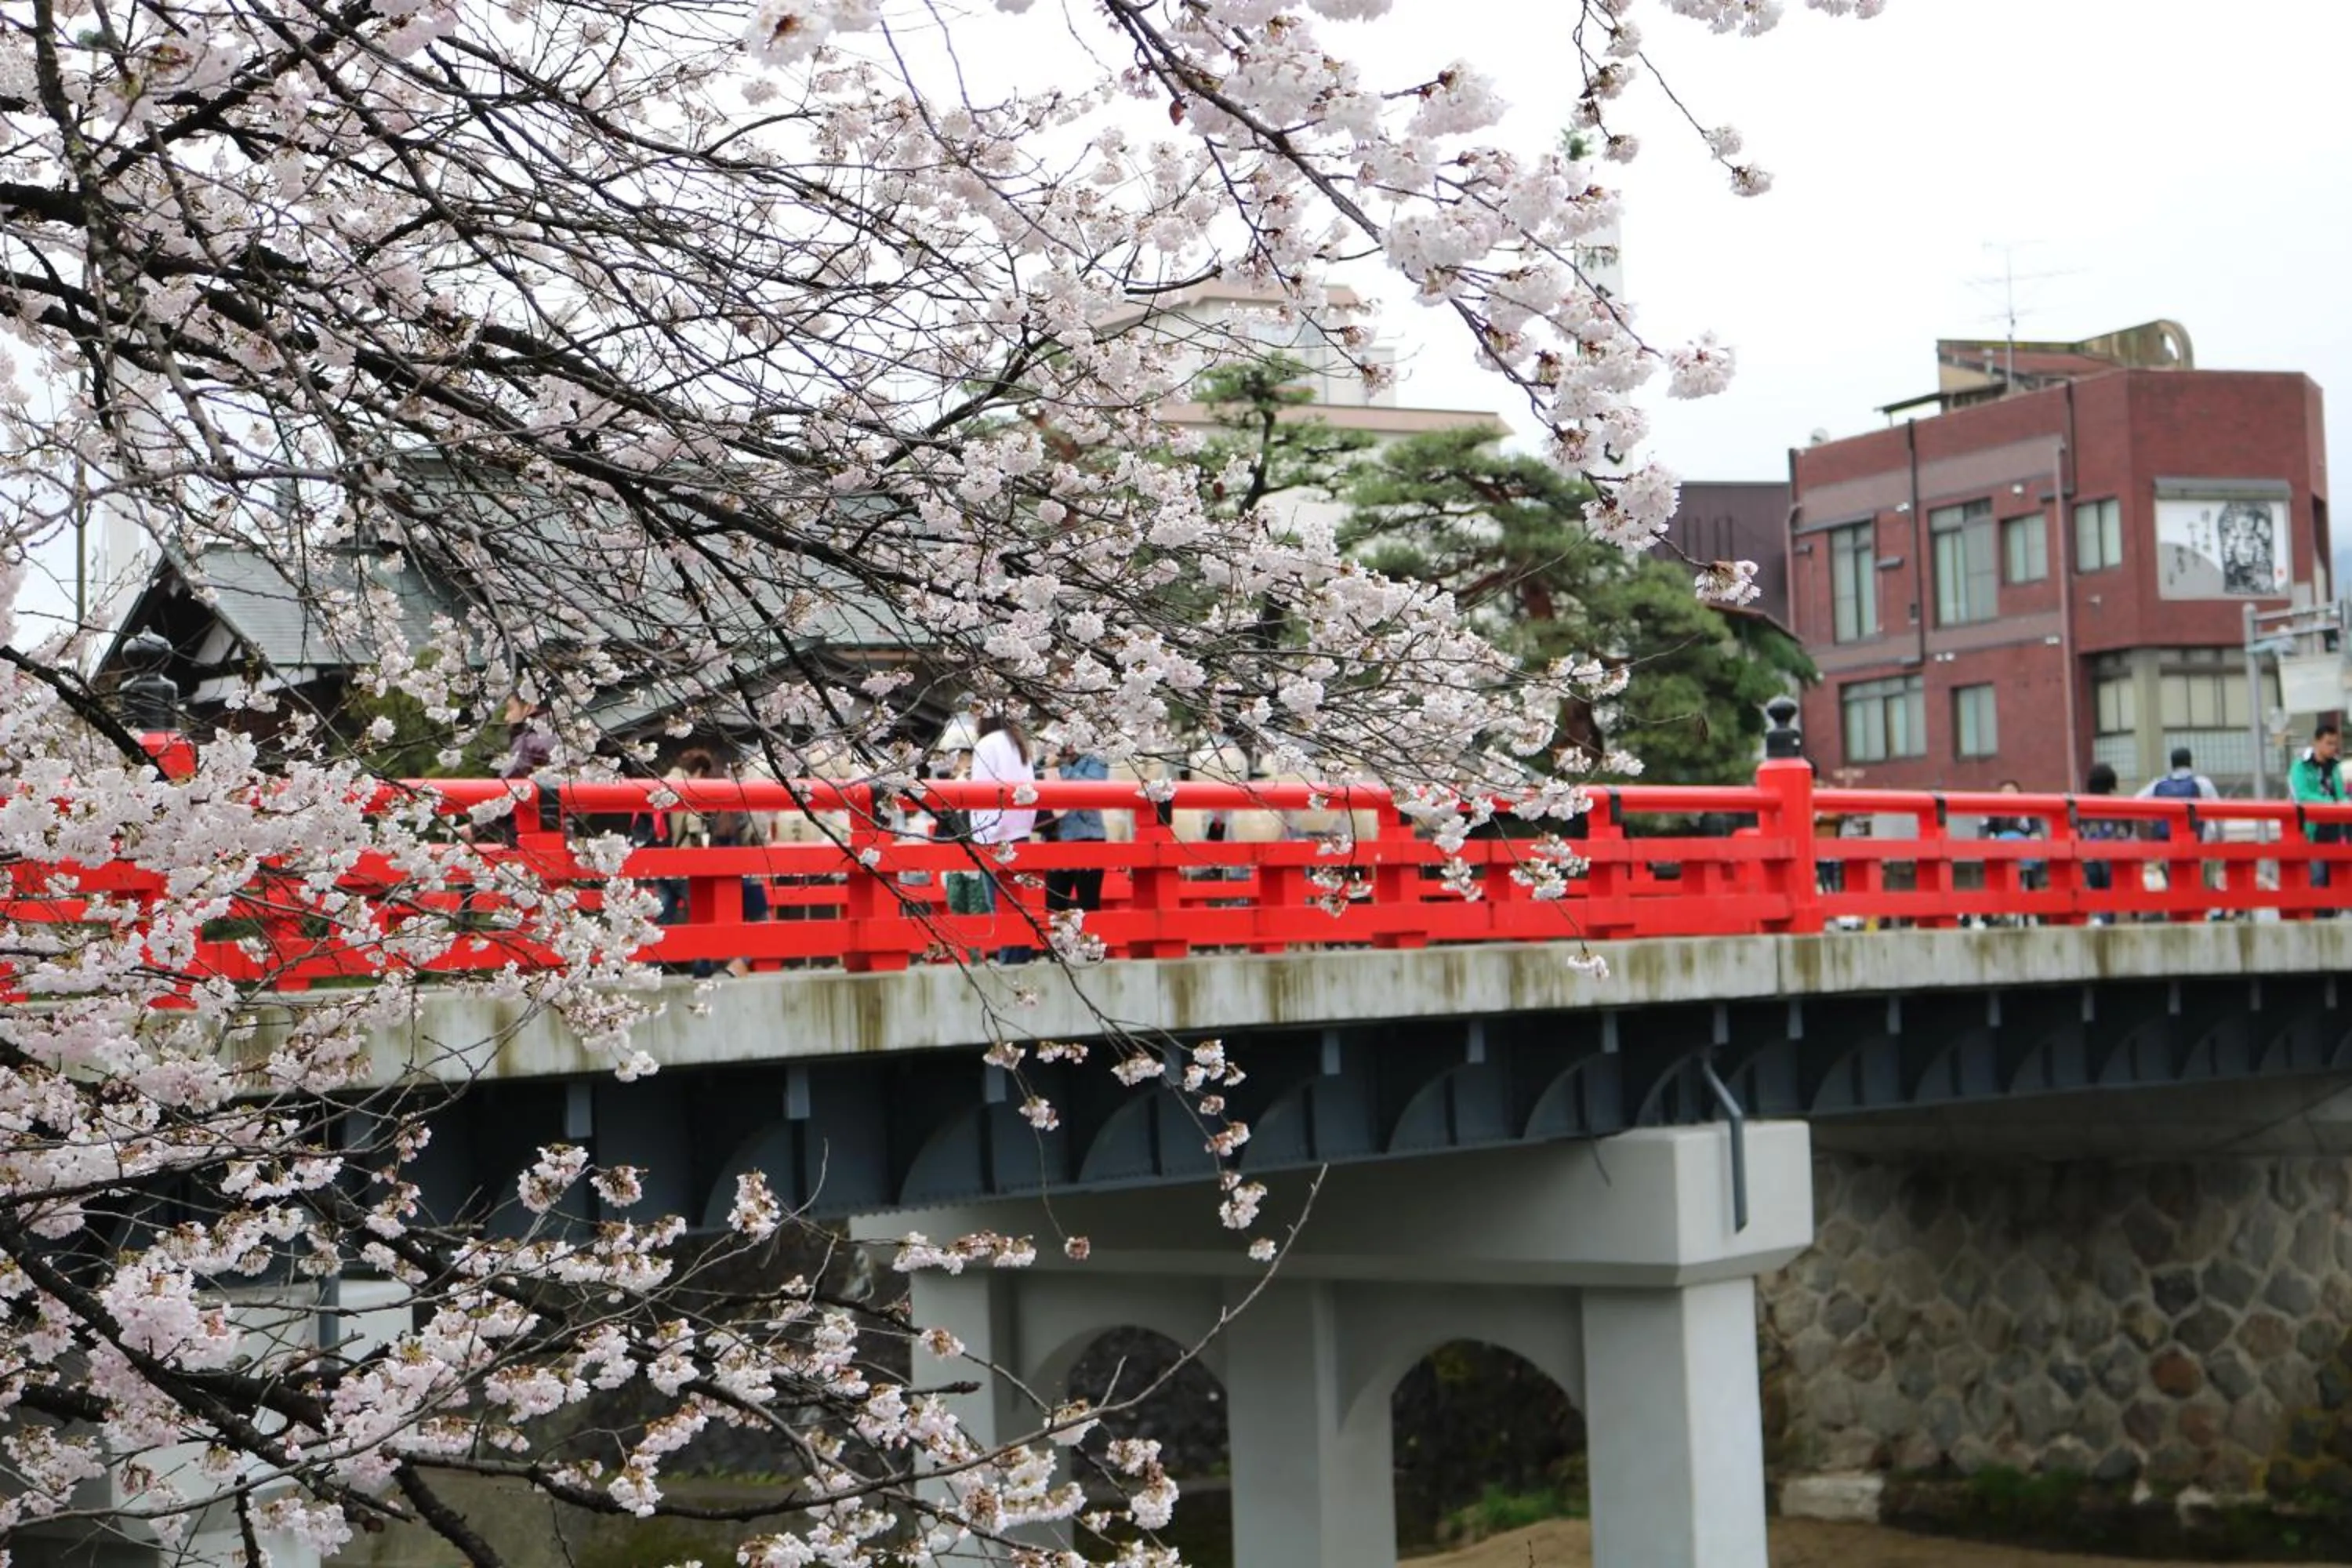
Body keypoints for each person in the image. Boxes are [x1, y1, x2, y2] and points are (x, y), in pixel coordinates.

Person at [969, 714, 1037, 963]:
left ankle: (1009, 960)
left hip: (993, 832)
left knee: (1000, 906)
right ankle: (1020, 957)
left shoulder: (987, 744)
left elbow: (979, 790)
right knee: (1018, 904)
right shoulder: (1018, 742)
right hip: (1020, 829)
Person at [1044, 742, 1109, 916]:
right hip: (1055, 837)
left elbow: (1093, 790)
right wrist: (1048, 763)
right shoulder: (1049, 757)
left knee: (1089, 903)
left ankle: (1090, 943)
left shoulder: (1096, 758)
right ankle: (1055, 943)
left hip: (1087, 835)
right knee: (1054, 905)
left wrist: (1062, 768)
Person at [2289, 723, 2345, 907]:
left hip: (2334, 829)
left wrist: (2342, 804)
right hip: (2311, 829)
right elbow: (2302, 795)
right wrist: (2331, 803)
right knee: (2317, 876)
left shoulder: (2334, 767)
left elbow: (2341, 795)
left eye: (2334, 744)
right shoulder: (2300, 766)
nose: (2332, 748)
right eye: (2328, 743)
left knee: (2336, 877)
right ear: (2317, 742)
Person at [2136, 746, 2220, 842]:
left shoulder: (2158, 783)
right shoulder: (2203, 783)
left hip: (2165, 841)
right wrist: (2220, 838)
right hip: (2194, 842)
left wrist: (2149, 835)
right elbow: (2219, 812)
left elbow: (2137, 800)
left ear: (2172, 764)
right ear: (2190, 762)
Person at [2078, 761, 2129, 916]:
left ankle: (2099, 919)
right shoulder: (2122, 804)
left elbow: (2077, 830)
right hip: (2115, 855)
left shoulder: (2081, 804)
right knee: (2113, 894)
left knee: (2094, 894)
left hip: (2090, 855)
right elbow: (2128, 830)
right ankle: (2110, 919)